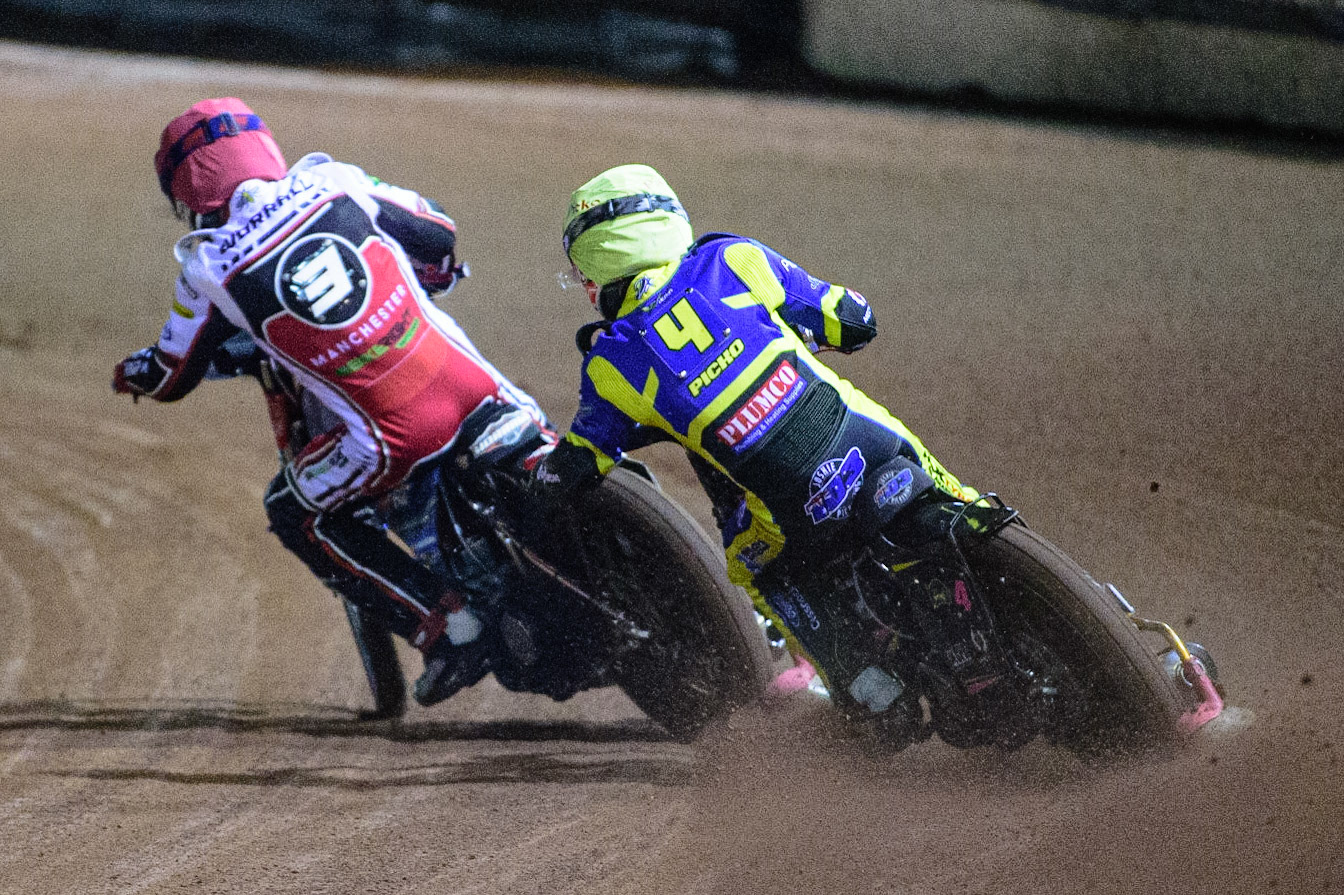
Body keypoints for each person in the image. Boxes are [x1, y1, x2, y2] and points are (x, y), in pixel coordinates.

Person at [113, 97, 551, 708]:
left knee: (294, 511)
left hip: (392, 440)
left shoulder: (206, 264)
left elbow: (171, 375)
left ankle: (449, 629)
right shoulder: (331, 179)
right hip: (479, 387)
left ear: (186, 193)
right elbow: (437, 233)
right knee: (565, 455)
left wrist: (129, 374)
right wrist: (430, 271)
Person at [535, 164, 979, 744]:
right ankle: (1004, 552)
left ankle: (870, 690)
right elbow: (853, 319)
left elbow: (577, 463)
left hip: (793, 507)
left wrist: (543, 480)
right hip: (872, 441)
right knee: (966, 504)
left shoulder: (611, 363)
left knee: (755, 566)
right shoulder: (731, 258)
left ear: (597, 268)